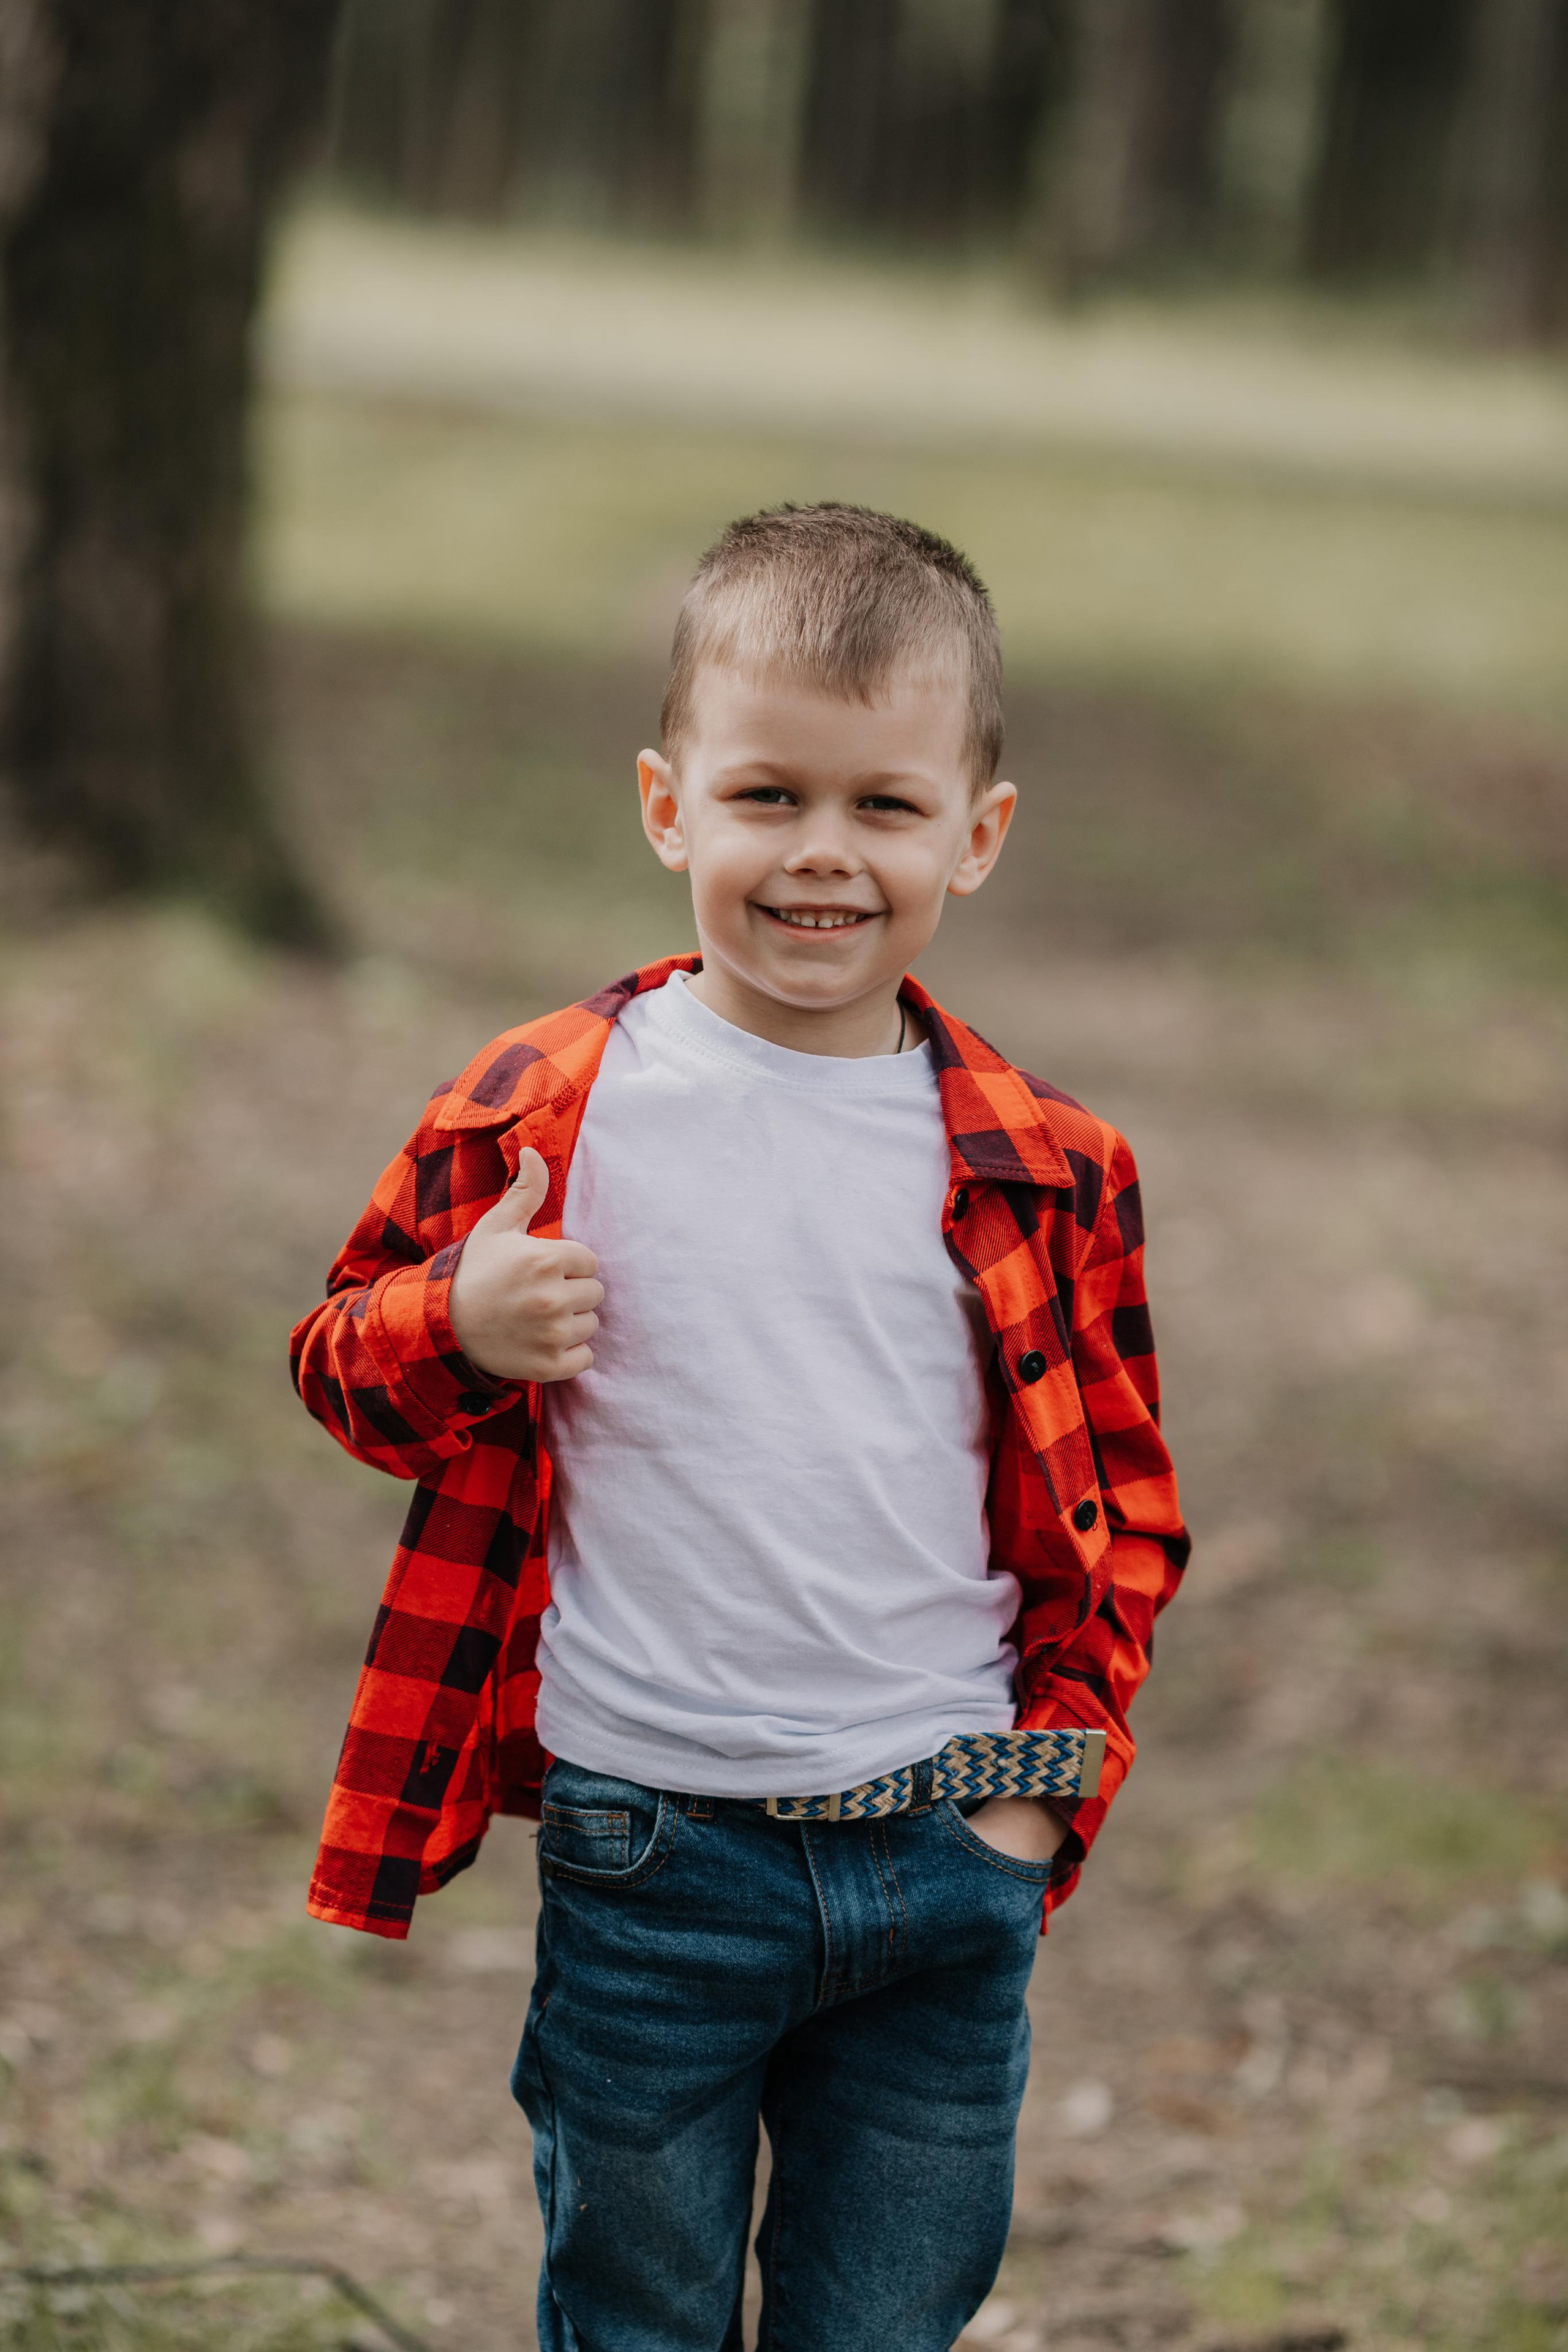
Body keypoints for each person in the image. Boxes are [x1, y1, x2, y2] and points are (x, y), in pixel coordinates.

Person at [290, 503, 1189, 2352]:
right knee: (637, 2301)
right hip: (653, 1848)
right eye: (768, 795)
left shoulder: (1046, 1165)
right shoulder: (553, 1108)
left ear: (979, 835)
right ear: (668, 805)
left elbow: (1124, 1506)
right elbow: (339, 1363)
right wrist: (456, 1325)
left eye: (886, 806)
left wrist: (1048, 1786)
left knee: (885, 2312)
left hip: (950, 1844)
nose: (823, 857)